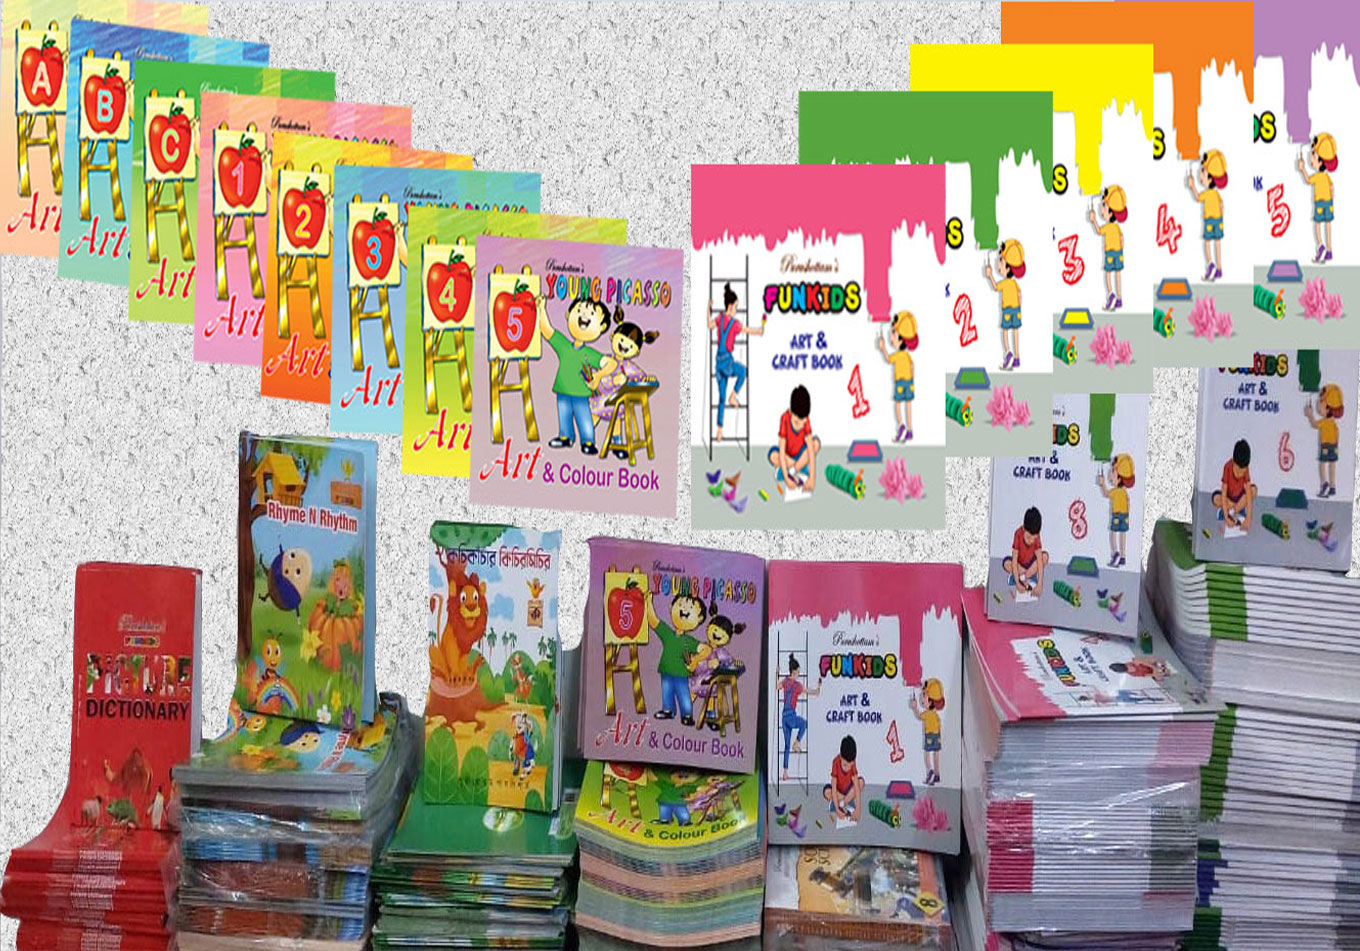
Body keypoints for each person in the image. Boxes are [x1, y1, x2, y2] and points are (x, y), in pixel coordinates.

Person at [539, 296, 610, 454]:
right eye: (579, 310)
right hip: (562, 389)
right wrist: (542, 308)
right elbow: (546, 330)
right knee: (563, 413)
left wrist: (599, 376)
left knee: (583, 416)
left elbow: (610, 363)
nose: (584, 315)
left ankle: (588, 441)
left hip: (580, 393)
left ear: (602, 327)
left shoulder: (589, 353)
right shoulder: (564, 345)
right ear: (568, 314)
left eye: (591, 314)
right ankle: (565, 437)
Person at [587, 308, 659, 460]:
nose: (624, 346)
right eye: (621, 341)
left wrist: (647, 379)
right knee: (593, 416)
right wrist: (612, 381)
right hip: (602, 399)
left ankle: (618, 445)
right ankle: (586, 438)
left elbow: (639, 377)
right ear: (612, 337)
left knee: (617, 422)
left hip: (618, 403)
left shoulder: (628, 367)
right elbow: (599, 379)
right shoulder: (606, 360)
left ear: (636, 352)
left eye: (630, 346)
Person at [708, 284, 762, 441]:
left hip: (718, 363)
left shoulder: (719, 318)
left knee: (721, 398)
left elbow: (709, 325)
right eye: (736, 307)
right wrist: (759, 331)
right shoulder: (735, 324)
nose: (736, 309)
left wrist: (708, 309)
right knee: (743, 371)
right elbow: (746, 330)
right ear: (730, 306)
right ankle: (734, 396)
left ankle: (719, 431)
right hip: (727, 362)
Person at [645, 590, 703, 726]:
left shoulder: (689, 641)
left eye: (690, 608)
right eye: (681, 605)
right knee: (667, 691)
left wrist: (696, 660)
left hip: (681, 673)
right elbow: (653, 621)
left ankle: (687, 715)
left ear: (699, 619)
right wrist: (648, 602)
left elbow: (705, 649)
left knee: (683, 694)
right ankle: (668, 710)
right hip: (666, 670)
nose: (684, 610)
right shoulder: (668, 633)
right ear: (671, 608)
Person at [767, 384, 820, 492]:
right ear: (791, 412)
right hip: (787, 456)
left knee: (816, 444)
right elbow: (782, 450)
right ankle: (801, 466)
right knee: (773, 456)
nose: (800, 426)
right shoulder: (784, 419)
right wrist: (787, 479)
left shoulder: (806, 420)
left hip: (800, 453)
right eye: (796, 422)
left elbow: (810, 449)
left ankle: (792, 470)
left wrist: (812, 479)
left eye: (802, 422)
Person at [876, 310, 919, 442]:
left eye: (894, 333)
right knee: (908, 404)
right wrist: (912, 379)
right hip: (909, 382)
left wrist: (883, 348)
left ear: (901, 339)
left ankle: (901, 425)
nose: (891, 335)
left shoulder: (898, 355)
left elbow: (888, 359)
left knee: (898, 403)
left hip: (900, 382)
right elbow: (912, 366)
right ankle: (910, 429)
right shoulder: (906, 355)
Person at [777, 655, 820, 780]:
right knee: (804, 723)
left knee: (786, 746)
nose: (799, 674)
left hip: (784, 717)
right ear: (794, 671)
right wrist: (817, 689)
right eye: (798, 672)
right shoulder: (797, 686)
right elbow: (811, 692)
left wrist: (776, 674)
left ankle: (785, 773)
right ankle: (796, 743)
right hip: (791, 715)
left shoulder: (785, 681)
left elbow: (776, 686)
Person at [1188, 149, 1228, 282]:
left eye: (1203, 171)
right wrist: (1221, 217)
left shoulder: (1207, 194)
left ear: (1210, 178)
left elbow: (1198, 198)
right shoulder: (1216, 194)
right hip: (1219, 220)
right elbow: (1221, 205)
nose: (1200, 174)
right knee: (1217, 243)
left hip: (1210, 221)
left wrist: (1192, 186)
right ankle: (1219, 268)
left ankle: (1211, 264)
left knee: (1207, 242)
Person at [985, 239, 1025, 369]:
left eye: (1001, 260)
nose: (998, 262)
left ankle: (1008, 353)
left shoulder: (1005, 283)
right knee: (1015, 331)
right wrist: (1019, 306)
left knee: (1005, 331)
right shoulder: (1014, 283)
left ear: (1008, 268)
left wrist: (990, 276)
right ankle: (1017, 357)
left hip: (1007, 310)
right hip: (1016, 309)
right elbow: (1019, 295)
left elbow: (995, 287)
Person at [1299, 132, 1337, 264]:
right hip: (1329, 203)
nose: (1311, 156)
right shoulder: (1326, 177)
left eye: (1314, 154)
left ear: (1320, 162)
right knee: (1327, 224)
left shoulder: (1317, 177)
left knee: (1317, 223)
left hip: (1320, 203)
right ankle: (1329, 250)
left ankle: (1321, 246)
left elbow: (1308, 180)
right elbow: (1331, 188)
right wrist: (1331, 199)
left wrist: (1302, 169)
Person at [1089, 185, 1127, 310]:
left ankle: (1111, 294)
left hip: (1110, 253)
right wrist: (1121, 249)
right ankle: (1119, 298)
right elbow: (1122, 238)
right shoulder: (1116, 227)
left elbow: (1099, 231)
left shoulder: (1108, 227)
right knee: (1118, 274)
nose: (1101, 207)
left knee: (1108, 273)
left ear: (1111, 213)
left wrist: (1094, 220)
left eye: (1104, 205)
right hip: (1119, 252)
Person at [1304, 383, 1344, 497]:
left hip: (1325, 445)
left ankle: (1324, 482)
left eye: (1321, 402)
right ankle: (1333, 486)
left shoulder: (1325, 422)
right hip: (1334, 446)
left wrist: (1310, 415)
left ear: (1328, 408)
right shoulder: (1333, 423)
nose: (1318, 405)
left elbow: (1314, 424)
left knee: (1322, 463)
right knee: (1332, 464)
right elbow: (1337, 434)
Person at [1098, 453, 1136, 567]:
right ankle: (1123, 556)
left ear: (1119, 478)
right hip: (1125, 515)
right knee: (1123, 533)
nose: (1110, 474)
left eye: (1113, 472)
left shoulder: (1115, 492)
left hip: (1117, 515)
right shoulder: (1124, 492)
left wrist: (1102, 484)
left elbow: (1106, 493)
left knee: (1113, 533)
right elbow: (1128, 502)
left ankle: (1115, 552)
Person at [1212, 438, 1256, 531]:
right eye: (1238, 470)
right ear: (1234, 462)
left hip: (1239, 497)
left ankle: (1232, 511)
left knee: (1253, 490)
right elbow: (1224, 492)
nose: (1240, 474)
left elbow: (1248, 492)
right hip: (1229, 498)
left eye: (1243, 471)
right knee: (1216, 498)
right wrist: (1226, 518)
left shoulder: (1246, 469)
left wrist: (1248, 518)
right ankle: (1235, 509)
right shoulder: (1227, 467)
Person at [1002, 506, 1048, 595]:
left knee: (1045, 557)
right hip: (1019, 564)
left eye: (1034, 538)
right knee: (1006, 563)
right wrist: (1017, 583)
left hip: (1031, 564)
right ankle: (1020, 577)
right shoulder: (1018, 534)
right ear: (1024, 528)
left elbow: (1039, 559)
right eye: (1028, 537)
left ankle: (1026, 575)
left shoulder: (1037, 537)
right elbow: (1014, 559)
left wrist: (1039, 584)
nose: (1031, 541)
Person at [909, 678, 945, 786]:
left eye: (924, 696)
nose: (922, 698)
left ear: (930, 702)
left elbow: (919, 716)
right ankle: (937, 774)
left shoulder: (927, 714)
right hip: (937, 735)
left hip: (929, 735)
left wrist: (914, 708)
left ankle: (930, 772)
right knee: (936, 753)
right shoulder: (935, 715)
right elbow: (939, 724)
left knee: (927, 753)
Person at [822, 735, 865, 822]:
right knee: (827, 792)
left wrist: (858, 809)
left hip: (848, 789)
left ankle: (843, 803)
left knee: (861, 782)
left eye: (850, 765)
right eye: (845, 765)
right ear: (841, 757)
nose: (847, 768)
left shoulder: (852, 763)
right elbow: (834, 787)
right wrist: (837, 810)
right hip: (838, 791)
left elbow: (856, 786)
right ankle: (846, 801)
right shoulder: (836, 762)